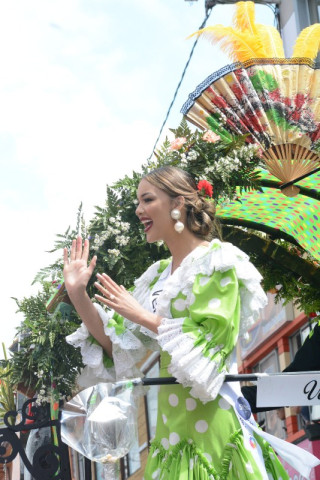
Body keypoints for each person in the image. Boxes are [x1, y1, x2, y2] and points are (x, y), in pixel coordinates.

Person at [64, 166, 307, 480]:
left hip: (213, 421)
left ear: (177, 203)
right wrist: (78, 293)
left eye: (147, 199)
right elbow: (118, 346)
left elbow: (212, 343)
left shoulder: (218, 261)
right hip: (170, 429)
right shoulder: (157, 276)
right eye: (138, 201)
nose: (138, 210)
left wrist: (143, 316)